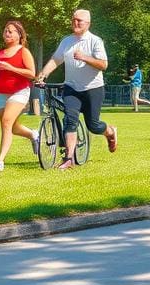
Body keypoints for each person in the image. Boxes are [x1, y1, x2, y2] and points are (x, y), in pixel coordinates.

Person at [36, 9, 117, 169]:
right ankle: (68, 158)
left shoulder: (95, 41)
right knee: (70, 120)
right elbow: (56, 60)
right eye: (73, 20)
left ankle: (110, 132)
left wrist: (85, 58)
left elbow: (103, 64)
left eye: (79, 20)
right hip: (71, 88)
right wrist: (43, 74)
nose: (75, 23)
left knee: (93, 125)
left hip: (93, 88)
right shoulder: (67, 41)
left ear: (88, 24)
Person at [0, 20, 39, 171]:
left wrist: (11, 67)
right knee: (12, 127)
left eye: (11, 31)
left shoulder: (23, 51)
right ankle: (33, 135)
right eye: (5, 31)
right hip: (0, 93)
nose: (7, 33)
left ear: (19, 35)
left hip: (19, 91)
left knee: (7, 122)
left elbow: (32, 74)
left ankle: (0, 161)